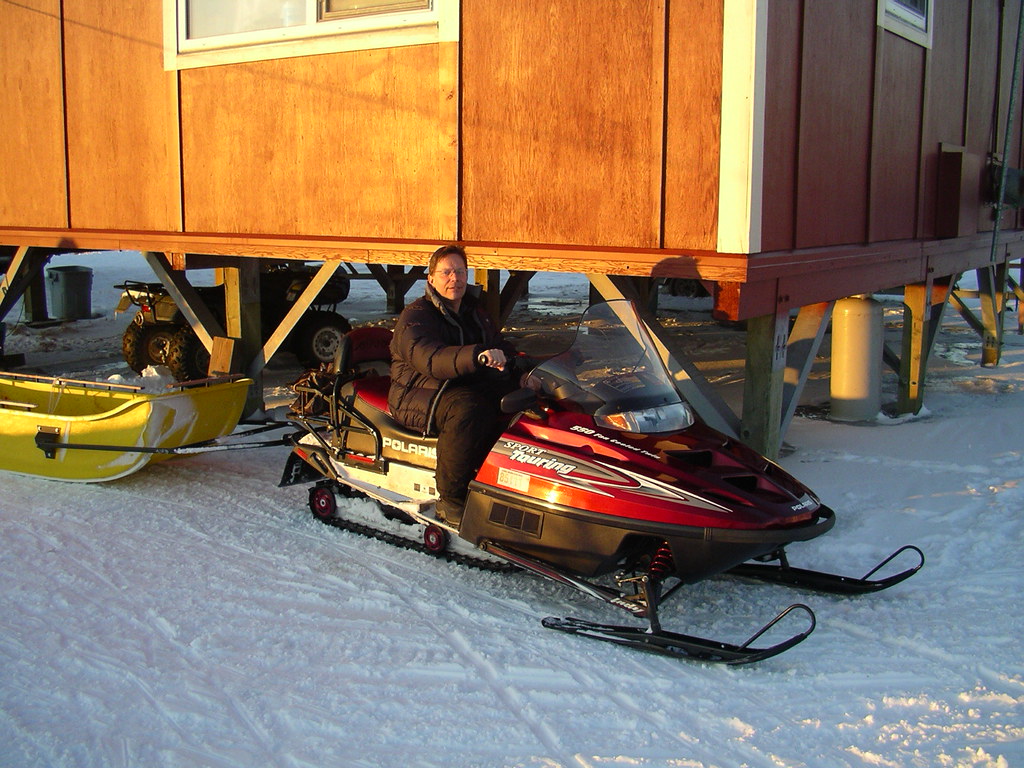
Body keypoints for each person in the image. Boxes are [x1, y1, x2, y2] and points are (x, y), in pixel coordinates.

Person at [388, 244, 520, 525]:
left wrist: (525, 366)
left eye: (460, 271)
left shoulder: (475, 311)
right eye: (446, 272)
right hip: (421, 393)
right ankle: (450, 499)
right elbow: (431, 358)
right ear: (431, 279)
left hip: (461, 384)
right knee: (468, 410)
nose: (455, 278)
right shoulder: (417, 316)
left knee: (522, 397)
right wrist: (477, 356)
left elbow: (498, 344)